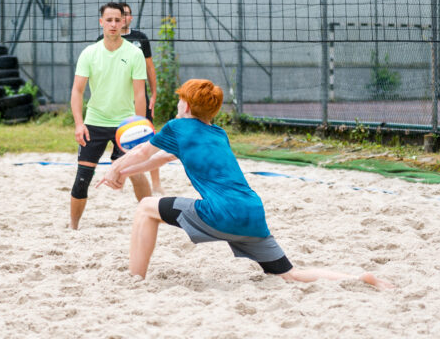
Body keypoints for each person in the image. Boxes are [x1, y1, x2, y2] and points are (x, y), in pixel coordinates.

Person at [98, 79, 394, 289]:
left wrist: (115, 167)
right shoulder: (217, 134)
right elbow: (156, 160)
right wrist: (122, 172)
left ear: (185, 105)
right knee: (288, 275)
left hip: (220, 213)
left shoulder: (178, 126)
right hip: (253, 214)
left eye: (179, 99)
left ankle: (135, 279)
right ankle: (358, 279)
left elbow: (142, 151)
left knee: (145, 208)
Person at [69, 2, 151, 230]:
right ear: (101, 22)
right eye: (109, 20)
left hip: (125, 125)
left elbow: (139, 95)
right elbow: (77, 91)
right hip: (94, 123)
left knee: (136, 173)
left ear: (124, 21)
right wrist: (78, 124)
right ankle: (73, 227)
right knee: (83, 177)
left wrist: (140, 127)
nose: (114, 24)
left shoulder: (134, 53)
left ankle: (150, 218)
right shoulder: (90, 53)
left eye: (118, 20)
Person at [97, 2, 163, 194]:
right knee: (121, 139)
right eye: (118, 15)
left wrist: (154, 94)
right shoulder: (102, 39)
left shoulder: (139, 38)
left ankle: (156, 182)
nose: (121, 19)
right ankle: (122, 178)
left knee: (147, 138)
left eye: (125, 15)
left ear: (130, 18)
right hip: (115, 99)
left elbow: (150, 68)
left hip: (139, 96)